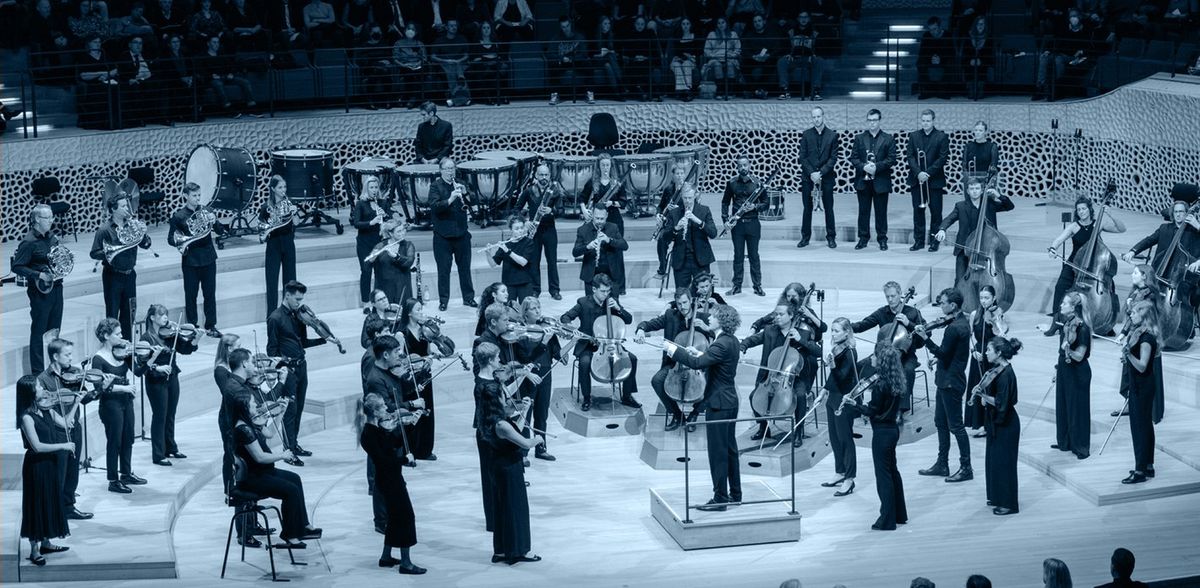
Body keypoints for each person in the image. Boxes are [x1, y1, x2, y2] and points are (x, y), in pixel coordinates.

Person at [227, 370, 323, 549]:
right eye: (253, 404)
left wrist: (280, 414)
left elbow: (270, 433)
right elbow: (260, 457)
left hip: (264, 472)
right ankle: (290, 536)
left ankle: (302, 526)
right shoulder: (243, 429)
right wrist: (282, 455)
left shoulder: (252, 421)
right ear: (244, 408)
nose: (257, 406)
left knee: (295, 479)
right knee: (290, 490)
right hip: (253, 478)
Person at [663, 304, 742, 511]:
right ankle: (735, 494)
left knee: (718, 452)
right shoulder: (730, 340)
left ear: (722, 321)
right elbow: (710, 359)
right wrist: (698, 352)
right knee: (730, 450)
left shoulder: (721, 344)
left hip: (719, 403)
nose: (709, 318)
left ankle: (720, 499)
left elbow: (697, 365)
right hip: (730, 401)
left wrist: (674, 350)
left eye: (713, 316)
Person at [474, 342, 543, 565]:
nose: (501, 362)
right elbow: (501, 426)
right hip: (503, 451)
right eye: (498, 358)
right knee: (515, 503)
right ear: (491, 360)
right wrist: (530, 442)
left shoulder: (483, 381)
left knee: (501, 501)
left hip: (492, 449)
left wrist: (518, 410)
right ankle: (518, 550)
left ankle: (502, 549)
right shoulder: (491, 388)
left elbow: (500, 412)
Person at [269, 281, 342, 463]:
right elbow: (272, 349)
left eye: (301, 299)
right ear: (287, 295)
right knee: (290, 411)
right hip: (289, 369)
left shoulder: (298, 316)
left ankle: (294, 444)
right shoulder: (275, 318)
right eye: (297, 298)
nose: (299, 302)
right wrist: (282, 368)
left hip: (302, 367)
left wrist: (325, 339)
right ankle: (288, 451)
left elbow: (304, 342)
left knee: (299, 408)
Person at [841, 344, 908, 530]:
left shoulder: (880, 386)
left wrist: (854, 405)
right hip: (893, 431)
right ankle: (900, 514)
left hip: (882, 434)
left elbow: (872, 411)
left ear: (881, 360)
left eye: (874, 356)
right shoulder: (895, 380)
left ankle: (887, 520)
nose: (871, 358)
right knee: (893, 472)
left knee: (883, 476)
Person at [358, 393, 426, 574]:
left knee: (396, 518)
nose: (387, 409)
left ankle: (386, 557)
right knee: (406, 517)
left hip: (392, 478)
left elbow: (395, 442)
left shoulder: (378, 430)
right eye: (382, 407)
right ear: (374, 411)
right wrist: (405, 459)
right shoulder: (369, 435)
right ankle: (406, 563)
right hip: (388, 480)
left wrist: (411, 425)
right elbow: (383, 461)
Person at [634, 287, 712, 432]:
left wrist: (707, 329)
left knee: (713, 385)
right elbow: (651, 323)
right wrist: (641, 329)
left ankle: (695, 414)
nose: (682, 307)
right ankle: (677, 415)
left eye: (685, 302)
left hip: (698, 366)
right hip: (674, 365)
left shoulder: (704, 318)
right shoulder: (671, 316)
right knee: (656, 381)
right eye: (679, 304)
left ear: (690, 300)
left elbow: (722, 332)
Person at [741, 303, 820, 446]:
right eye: (775, 314)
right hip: (771, 377)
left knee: (800, 396)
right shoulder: (769, 330)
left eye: (780, 314)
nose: (776, 317)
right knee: (754, 396)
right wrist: (743, 346)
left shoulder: (803, 332)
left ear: (790, 316)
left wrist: (800, 340)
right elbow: (754, 339)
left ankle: (798, 430)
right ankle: (763, 427)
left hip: (795, 377)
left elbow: (818, 351)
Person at [916, 288, 973, 482]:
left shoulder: (955, 328)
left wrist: (926, 339)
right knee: (940, 422)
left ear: (953, 306)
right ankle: (942, 464)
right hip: (946, 379)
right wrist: (938, 360)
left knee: (956, 426)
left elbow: (943, 352)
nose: (941, 306)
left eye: (943, 303)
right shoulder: (960, 321)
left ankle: (966, 467)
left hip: (951, 383)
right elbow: (950, 354)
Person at [560, 274, 641, 411]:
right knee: (585, 363)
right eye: (603, 291)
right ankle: (586, 397)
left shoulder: (612, 302)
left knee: (632, 359)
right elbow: (565, 317)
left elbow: (628, 320)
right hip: (587, 345)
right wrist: (572, 328)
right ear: (594, 289)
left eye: (608, 291)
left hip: (610, 345)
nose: (606, 294)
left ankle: (627, 396)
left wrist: (618, 308)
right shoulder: (583, 303)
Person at [38, 338, 94, 520]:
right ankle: (55, 512)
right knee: (59, 474)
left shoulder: (75, 373)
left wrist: (97, 391)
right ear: (55, 356)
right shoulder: (43, 380)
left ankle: (69, 507)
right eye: (67, 354)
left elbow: (84, 397)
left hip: (74, 428)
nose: (71, 358)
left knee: (72, 471)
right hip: (57, 432)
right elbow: (44, 407)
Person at [20, 376, 74, 566]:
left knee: (49, 501)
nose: (41, 387)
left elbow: (67, 424)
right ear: (31, 392)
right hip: (36, 466)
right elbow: (37, 446)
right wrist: (64, 446)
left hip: (50, 463)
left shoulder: (47, 410)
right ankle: (34, 551)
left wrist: (75, 402)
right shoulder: (27, 417)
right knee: (36, 504)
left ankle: (46, 543)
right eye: (38, 386)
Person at [136, 304, 199, 466]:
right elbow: (142, 364)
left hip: (172, 376)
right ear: (152, 318)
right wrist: (158, 367)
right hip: (155, 380)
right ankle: (158, 454)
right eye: (162, 315)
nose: (166, 318)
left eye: (166, 315)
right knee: (160, 416)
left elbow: (185, 350)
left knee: (171, 413)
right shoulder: (146, 338)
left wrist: (196, 339)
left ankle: (170, 447)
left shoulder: (169, 334)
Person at [1049, 196, 1127, 326]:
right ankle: (1056, 322)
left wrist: (1111, 215)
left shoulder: (1098, 224)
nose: (1081, 212)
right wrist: (1053, 248)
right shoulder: (1074, 226)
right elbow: (1058, 240)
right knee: (1060, 286)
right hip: (1076, 262)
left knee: (1110, 287)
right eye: (1079, 209)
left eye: (1084, 209)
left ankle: (1108, 321)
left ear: (1090, 210)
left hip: (1095, 264)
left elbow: (1121, 229)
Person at [852, 281, 925, 412]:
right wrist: (847, 326)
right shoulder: (882, 312)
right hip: (883, 355)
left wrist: (909, 324)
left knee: (907, 370)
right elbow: (863, 324)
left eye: (893, 296)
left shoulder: (913, 313)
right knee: (857, 367)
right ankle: (857, 404)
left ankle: (901, 409)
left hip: (906, 356)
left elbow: (924, 337)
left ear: (900, 295)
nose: (890, 300)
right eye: (887, 297)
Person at [91, 319, 145, 494]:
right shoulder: (98, 359)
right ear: (106, 336)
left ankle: (127, 473)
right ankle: (113, 480)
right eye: (118, 334)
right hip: (110, 405)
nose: (122, 337)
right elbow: (98, 388)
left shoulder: (123, 352)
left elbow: (137, 371)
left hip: (126, 401)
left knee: (128, 437)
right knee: (115, 441)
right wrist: (124, 387)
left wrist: (151, 356)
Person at [1038, 291, 1093, 460]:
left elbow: (1080, 356)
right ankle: (1065, 441)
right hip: (1065, 369)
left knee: (1077, 409)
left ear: (1073, 308)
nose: (1061, 305)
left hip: (1078, 372)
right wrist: (1058, 368)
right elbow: (1062, 353)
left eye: (1064, 303)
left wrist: (1067, 348)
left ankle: (1081, 446)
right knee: (1063, 406)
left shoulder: (1082, 328)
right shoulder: (1067, 323)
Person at [90, 192, 152, 339]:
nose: (127, 209)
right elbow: (94, 253)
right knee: (112, 314)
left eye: (127, 205)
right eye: (123, 206)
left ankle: (128, 345)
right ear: (113, 209)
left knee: (129, 313)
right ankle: (112, 346)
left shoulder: (132, 225)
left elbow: (146, 245)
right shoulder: (104, 229)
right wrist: (113, 251)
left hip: (130, 275)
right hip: (113, 276)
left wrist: (142, 233)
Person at [513, 296, 566, 461]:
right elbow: (525, 357)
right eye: (533, 308)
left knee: (542, 413)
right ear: (525, 313)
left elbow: (562, 358)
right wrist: (544, 340)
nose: (538, 311)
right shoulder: (522, 333)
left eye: (538, 307)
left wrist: (574, 341)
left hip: (545, 375)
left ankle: (541, 448)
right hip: (529, 376)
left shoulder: (547, 330)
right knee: (526, 414)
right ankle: (522, 453)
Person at [12, 205, 64, 375]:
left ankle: (54, 366)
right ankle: (38, 372)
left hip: (57, 288)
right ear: (36, 220)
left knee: (55, 329)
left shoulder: (52, 237)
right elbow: (17, 266)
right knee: (39, 331)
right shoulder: (28, 242)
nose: (51, 220)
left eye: (51, 217)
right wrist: (37, 275)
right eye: (47, 217)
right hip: (40, 292)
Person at [936, 177, 1016, 283]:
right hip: (965, 248)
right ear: (968, 191)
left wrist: (998, 195)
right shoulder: (960, 206)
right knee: (960, 280)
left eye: (977, 188)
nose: (974, 191)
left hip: (985, 249)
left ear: (982, 190)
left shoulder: (989, 204)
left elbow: (1009, 206)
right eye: (972, 189)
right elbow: (949, 219)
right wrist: (942, 229)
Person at [169, 182, 221, 338]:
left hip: (209, 259)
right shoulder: (178, 216)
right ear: (185, 196)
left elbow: (220, 231)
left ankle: (211, 326)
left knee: (210, 294)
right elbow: (171, 239)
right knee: (190, 296)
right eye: (194, 196)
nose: (198, 198)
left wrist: (215, 221)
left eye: (199, 195)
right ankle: (192, 327)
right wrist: (183, 240)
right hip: (190, 261)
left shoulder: (207, 211)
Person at [977, 335, 1021, 515]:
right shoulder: (997, 369)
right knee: (994, 462)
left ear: (999, 353)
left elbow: (1002, 403)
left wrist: (982, 396)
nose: (985, 353)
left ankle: (1009, 504)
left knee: (1005, 465)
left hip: (1007, 424)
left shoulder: (1005, 375)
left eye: (989, 350)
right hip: (997, 422)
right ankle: (997, 497)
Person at [1117, 265, 1165, 423]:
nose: (1132, 275)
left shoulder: (1150, 294)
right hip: (1134, 336)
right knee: (1130, 371)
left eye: (1136, 273)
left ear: (1145, 276)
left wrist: (1131, 306)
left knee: (1143, 370)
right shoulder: (1135, 292)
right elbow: (1131, 317)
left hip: (1145, 337)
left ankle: (1149, 409)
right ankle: (1130, 403)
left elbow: (1143, 314)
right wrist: (1123, 333)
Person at [399, 297, 444, 461]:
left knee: (427, 410)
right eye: (418, 310)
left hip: (425, 374)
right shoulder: (402, 333)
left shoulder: (424, 331)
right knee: (413, 412)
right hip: (410, 378)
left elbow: (428, 352)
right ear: (409, 313)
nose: (421, 313)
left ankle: (425, 449)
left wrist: (430, 359)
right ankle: (410, 449)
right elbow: (400, 359)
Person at [430, 158, 477, 312]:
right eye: (448, 169)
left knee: (465, 269)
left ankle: (468, 298)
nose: (451, 171)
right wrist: (450, 199)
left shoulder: (460, 182)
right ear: (441, 170)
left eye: (453, 168)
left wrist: (465, 194)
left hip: (462, 234)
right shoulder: (435, 186)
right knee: (444, 270)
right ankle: (444, 300)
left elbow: (473, 202)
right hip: (442, 236)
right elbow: (435, 207)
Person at [1120, 300, 1159, 484]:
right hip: (1141, 384)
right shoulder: (1140, 334)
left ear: (1143, 316)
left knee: (1139, 427)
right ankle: (1148, 465)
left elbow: (1142, 366)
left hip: (1142, 385)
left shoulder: (1146, 339)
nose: (1131, 315)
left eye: (1134, 313)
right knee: (1145, 425)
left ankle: (1140, 471)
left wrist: (1128, 355)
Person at [822, 318, 860, 496]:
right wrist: (824, 391)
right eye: (832, 330)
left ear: (847, 332)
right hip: (833, 398)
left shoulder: (850, 352)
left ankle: (850, 478)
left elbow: (843, 378)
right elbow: (833, 380)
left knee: (845, 439)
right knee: (834, 438)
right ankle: (840, 471)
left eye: (837, 331)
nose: (833, 334)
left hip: (844, 400)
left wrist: (832, 366)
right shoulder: (837, 349)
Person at [514, 163, 563, 300]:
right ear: (536, 176)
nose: (544, 177)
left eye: (546, 174)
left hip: (549, 230)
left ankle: (555, 290)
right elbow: (516, 209)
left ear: (549, 176)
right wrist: (526, 221)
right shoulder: (529, 191)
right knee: (534, 261)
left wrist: (551, 211)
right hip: (534, 231)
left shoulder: (555, 191)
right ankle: (535, 289)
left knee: (552, 261)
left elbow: (562, 210)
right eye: (541, 174)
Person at [965, 286, 1009, 435]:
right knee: (978, 387)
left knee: (990, 389)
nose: (983, 301)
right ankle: (979, 423)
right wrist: (973, 351)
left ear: (994, 298)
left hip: (992, 356)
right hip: (978, 354)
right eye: (981, 298)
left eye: (987, 298)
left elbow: (1001, 334)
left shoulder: (997, 313)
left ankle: (990, 423)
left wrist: (997, 322)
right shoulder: (974, 314)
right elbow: (969, 337)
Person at [851, 109, 897, 251]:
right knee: (863, 212)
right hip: (863, 181)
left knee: (881, 212)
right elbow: (853, 158)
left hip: (880, 181)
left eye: (875, 120)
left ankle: (882, 239)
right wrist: (864, 167)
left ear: (879, 120)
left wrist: (876, 167)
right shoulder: (859, 138)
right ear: (867, 121)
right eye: (870, 120)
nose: (872, 123)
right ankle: (863, 239)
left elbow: (891, 159)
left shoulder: (888, 138)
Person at [906, 109, 950, 252]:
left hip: (934, 181)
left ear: (933, 120)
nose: (925, 123)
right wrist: (918, 172)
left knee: (936, 213)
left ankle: (934, 241)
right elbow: (910, 156)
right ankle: (918, 241)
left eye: (928, 121)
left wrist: (928, 173)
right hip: (917, 180)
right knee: (918, 212)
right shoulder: (914, 136)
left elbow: (943, 158)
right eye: (923, 120)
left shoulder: (941, 137)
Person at [722, 156, 766, 296]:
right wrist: (725, 219)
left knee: (754, 256)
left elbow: (766, 204)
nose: (743, 168)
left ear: (749, 165)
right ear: (737, 167)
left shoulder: (758, 183)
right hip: (738, 225)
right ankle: (737, 286)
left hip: (753, 223)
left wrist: (754, 206)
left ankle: (757, 286)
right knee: (738, 256)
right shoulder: (732, 183)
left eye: (745, 165)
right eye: (740, 165)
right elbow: (725, 202)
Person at [350, 176, 395, 307]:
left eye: (376, 187)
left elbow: (390, 222)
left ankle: (380, 302)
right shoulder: (360, 203)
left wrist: (385, 216)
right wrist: (371, 222)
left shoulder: (383, 202)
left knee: (380, 273)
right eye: (371, 187)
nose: (374, 190)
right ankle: (366, 303)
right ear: (366, 188)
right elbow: (356, 223)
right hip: (365, 243)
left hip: (379, 242)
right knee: (366, 272)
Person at [798, 106, 838, 248]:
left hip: (826, 177)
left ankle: (831, 237)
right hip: (808, 177)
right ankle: (805, 237)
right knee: (807, 208)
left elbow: (833, 158)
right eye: (814, 117)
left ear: (823, 116)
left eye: (818, 116)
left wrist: (820, 173)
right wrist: (812, 174)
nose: (816, 119)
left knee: (829, 208)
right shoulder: (806, 134)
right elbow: (802, 157)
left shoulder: (832, 135)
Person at [664, 185, 717, 292]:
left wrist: (699, 222)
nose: (687, 201)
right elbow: (665, 238)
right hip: (681, 260)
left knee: (704, 294)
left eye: (690, 198)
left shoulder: (704, 210)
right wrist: (676, 228)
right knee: (681, 292)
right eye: (685, 198)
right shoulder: (674, 213)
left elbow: (713, 233)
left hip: (701, 260)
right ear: (681, 197)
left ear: (695, 196)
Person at [573, 202, 629, 298]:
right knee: (591, 307)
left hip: (611, 274)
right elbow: (575, 252)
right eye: (597, 218)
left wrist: (609, 240)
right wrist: (587, 247)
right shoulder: (583, 230)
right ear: (593, 216)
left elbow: (624, 246)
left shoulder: (613, 227)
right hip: (591, 274)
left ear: (606, 216)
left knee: (614, 306)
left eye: (602, 219)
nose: (599, 221)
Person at [260, 175, 298, 314]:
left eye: (285, 187)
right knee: (272, 282)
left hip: (288, 244)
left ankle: (289, 312)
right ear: (273, 189)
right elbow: (261, 227)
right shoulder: (266, 207)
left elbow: (297, 223)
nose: (283, 190)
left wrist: (295, 213)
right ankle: (272, 315)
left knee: (290, 281)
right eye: (280, 187)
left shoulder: (289, 203)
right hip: (273, 245)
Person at [777, 12, 825, 101]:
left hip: (808, 58)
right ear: (798, 19)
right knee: (782, 61)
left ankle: (815, 91)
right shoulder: (791, 31)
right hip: (794, 58)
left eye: (806, 17)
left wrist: (813, 55)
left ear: (809, 19)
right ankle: (784, 91)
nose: (803, 19)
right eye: (801, 17)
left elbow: (819, 46)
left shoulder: (814, 31)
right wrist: (789, 53)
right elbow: (785, 45)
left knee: (819, 60)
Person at [546, 17, 591, 105]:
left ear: (571, 25)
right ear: (560, 27)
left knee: (588, 64)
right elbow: (549, 54)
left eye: (567, 26)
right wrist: (561, 58)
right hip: (563, 62)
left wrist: (572, 59)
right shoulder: (556, 38)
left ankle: (589, 93)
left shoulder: (579, 37)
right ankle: (555, 95)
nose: (566, 29)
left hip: (576, 61)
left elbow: (584, 53)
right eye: (563, 27)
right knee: (552, 66)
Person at [580, 153, 628, 235]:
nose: (605, 168)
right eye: (603, 165)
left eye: (607, 165)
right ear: (599, 166)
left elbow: (623, 203)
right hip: (597, 219)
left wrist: (612, 203)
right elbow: (582, 198)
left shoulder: (617, 183)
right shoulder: (592, 182)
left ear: (611, 166)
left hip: (614, 220)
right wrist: (584, 210)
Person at [371, 221, 418, 305]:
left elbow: (409, 262)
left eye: (403, 230)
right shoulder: (380, 246)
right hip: (385, 286)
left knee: (402, 313)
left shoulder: (408, 245)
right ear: (391, 233)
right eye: (399, 231)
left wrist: (396, 256)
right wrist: (371, 259)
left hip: (402, 285)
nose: (403, 233)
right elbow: (370, 266)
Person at [493, 217, 538, 304]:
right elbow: (493, 264)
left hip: (525, 282)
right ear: (511, 230)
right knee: (509, 312)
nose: (520, 231)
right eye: (517, 229)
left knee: (526, 311)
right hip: (509, 283)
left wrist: (508, 251)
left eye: (522, 228)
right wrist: (487, 252)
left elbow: (523, 262)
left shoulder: (528, 242)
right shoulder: (505, 244)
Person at [431, 19, 470, 105]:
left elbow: (466, 55)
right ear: (446, 27)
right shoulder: (439, 40)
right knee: (451, 71)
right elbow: (433, 57)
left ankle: (454, 100)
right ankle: (464, 98)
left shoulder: (462, 39)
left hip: (461, 63)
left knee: (456, 67)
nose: (454, 27)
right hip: (445, 63)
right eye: (451, 26)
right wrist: (446, 60)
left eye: (455, 25)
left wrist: (458, 61)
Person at [702, 16, 740, 100]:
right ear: (716, 25)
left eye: (723, 22)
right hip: (715, 59)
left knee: (730, 64)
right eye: (719, 23)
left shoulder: (733, 34)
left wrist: (732, 55)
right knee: (717, 65)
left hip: (729, 58)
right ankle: (720, 91)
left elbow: (738, 49)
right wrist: (715, 56)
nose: (721, 25)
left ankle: (730, 92)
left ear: (726, 23)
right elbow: (706, 51)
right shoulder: (712, 34)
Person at [667, 17, 699, 100]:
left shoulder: (694, 37)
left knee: (686, 64)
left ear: (690, 25)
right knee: (677, 65)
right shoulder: (677, 37)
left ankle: (686, 90)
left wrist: (689, 56)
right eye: (683, 24)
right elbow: (675, 53)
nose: (685, 26)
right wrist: (678, 58)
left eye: (687, 24)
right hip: (677, 60)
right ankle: (684, 91)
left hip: (690, 61)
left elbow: (698, 52)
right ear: (680, 25)